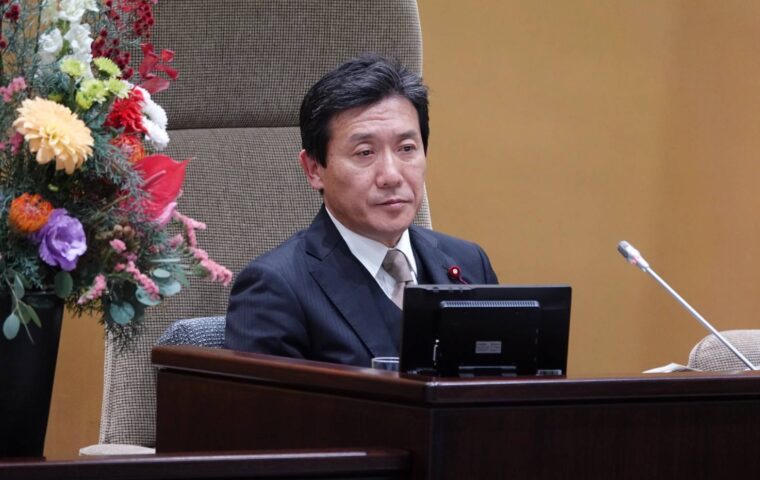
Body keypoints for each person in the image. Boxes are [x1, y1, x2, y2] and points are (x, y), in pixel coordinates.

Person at [224, 54, 498, 366]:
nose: (391, 176)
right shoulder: (275, 288)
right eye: (365, 152)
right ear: (313, 169)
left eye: (407, 149)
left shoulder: (469, 264)